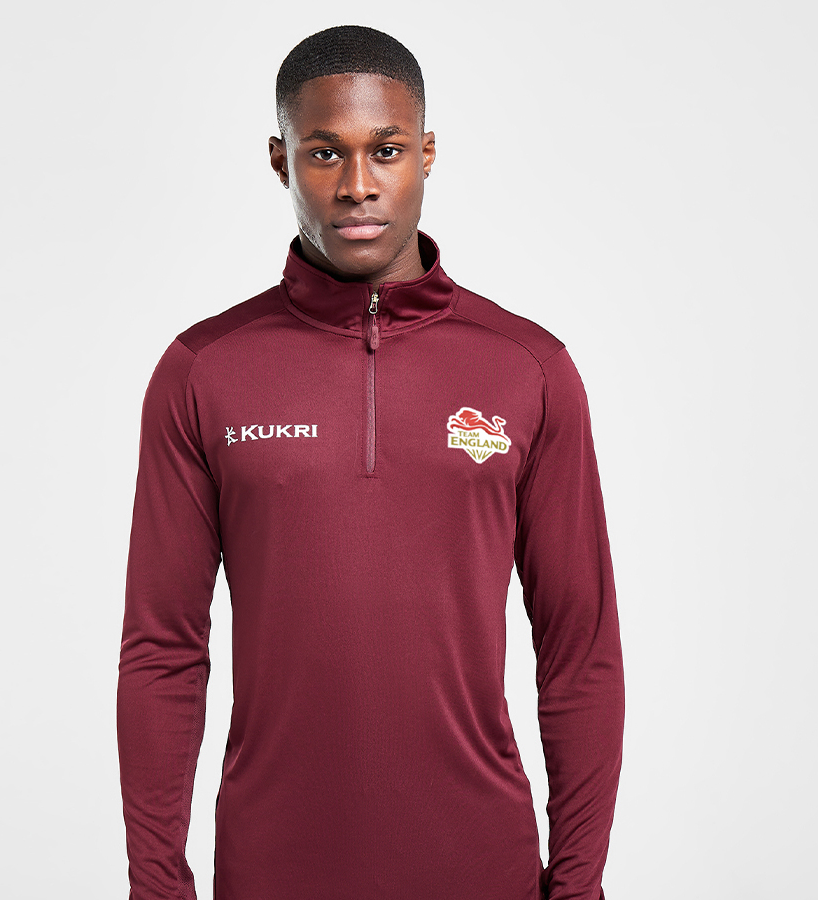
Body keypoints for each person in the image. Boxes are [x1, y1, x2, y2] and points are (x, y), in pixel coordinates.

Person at [117, 24, 624, 900]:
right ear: (280, 161)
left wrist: (577, 886)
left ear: (425, 154)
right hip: (272, 872)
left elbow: (580, 650)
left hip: (482, 870)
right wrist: (156, 887)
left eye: (385, 150)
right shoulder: (204, 370)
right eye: (325, 153)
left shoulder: (529, 369)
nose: (358, 184)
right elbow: (163, 649)